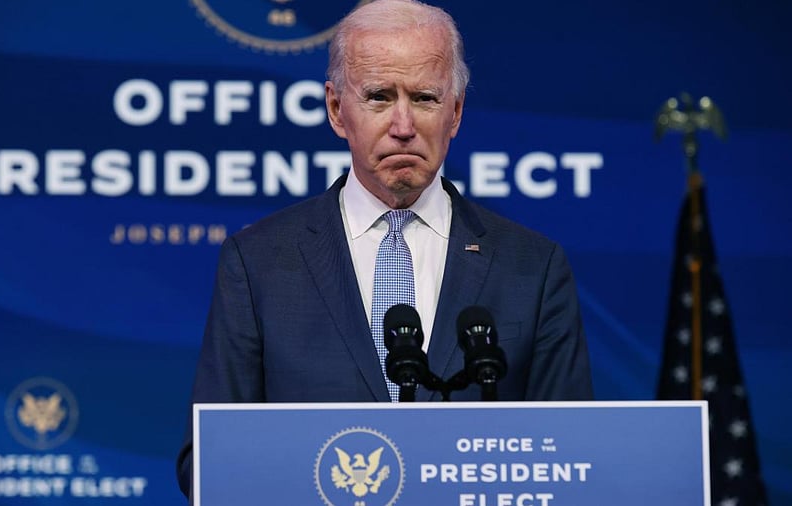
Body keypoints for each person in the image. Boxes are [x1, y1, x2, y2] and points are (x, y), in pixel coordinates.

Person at [176, 0, 593, 499]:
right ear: (336, 109)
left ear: (455, 111)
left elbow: (571, 461)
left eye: (424, 98)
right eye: (378, 97)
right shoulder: (259, 263)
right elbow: (207, 461)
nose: (402, 125)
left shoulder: (534, 268)